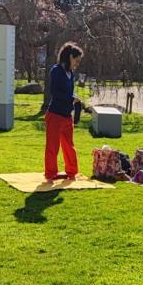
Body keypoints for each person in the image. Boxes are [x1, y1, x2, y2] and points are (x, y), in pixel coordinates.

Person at [44, 42, 84, 182]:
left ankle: (72, 172)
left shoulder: (71, 74)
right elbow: (55, 92)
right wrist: (70, 98)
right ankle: (50, 174)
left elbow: (68, 92)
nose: (77, 64)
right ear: (70, 57)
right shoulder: (56, 70)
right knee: (52, 147)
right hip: (54, 115)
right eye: (76, 60)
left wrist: (75, 100)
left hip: (67, 116)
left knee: (69, 146)